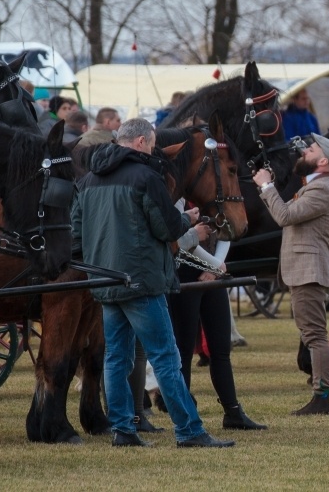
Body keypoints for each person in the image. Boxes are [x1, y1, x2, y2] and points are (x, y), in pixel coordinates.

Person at [71, 117, 235, 448]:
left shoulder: (88, 179)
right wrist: (185, 219)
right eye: (153, 142)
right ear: (144, 142)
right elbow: (166, 229)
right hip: (142, 280)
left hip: (105, 279)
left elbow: (76, 231)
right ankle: (189, 430)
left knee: (116, 357)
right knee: (165, 357)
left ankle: (122, 429)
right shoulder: (147, 176)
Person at [253, 133, 329, 415]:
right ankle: (321, 395)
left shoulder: (323, 189)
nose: (304, 151)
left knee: (315, 336)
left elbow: (284, 217)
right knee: (312, 334)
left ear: (324, 160)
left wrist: (266, 185)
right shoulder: (312, 187)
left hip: (309, 271)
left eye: (311, 149)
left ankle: (322, 398)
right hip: (306, 271)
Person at [168, 198, 268, 430]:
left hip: (212, 275)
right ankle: (186, 415)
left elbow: (227, 232)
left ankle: (232, 411)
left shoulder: (212, 196)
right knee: (183, 350)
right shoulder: (177, 198)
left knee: (221, 348)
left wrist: (214, 267)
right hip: (184, 274)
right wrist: (214, 264)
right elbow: (181, 240)